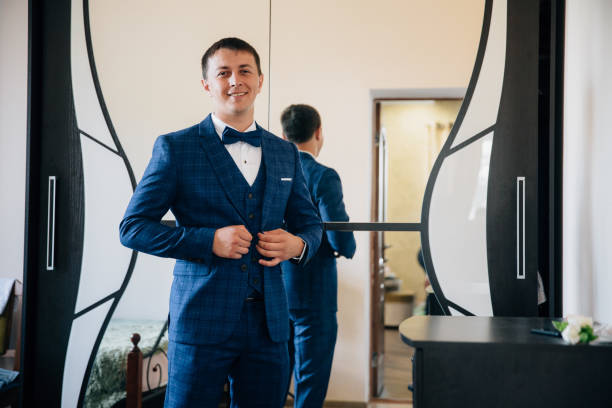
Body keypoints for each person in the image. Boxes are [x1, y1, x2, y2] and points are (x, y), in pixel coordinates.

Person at [119, 38, 322, 408]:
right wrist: (207, 240)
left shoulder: (285, 152)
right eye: (223, 72)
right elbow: (132, 227)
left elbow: (311, 226)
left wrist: (298, 246)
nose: (235, 80)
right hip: (201, 320)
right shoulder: (175, 148)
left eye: (244, 71)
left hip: (270, 325)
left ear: (260, 80)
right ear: (206, 85)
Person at [280, 104, 356, 407]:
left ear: (283, 135)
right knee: (310, 376)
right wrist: (346, 249)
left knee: (274, 373)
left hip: (273, 287)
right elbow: (339, 234)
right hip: (315, 290)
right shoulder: (323, 176)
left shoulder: (271, 173)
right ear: (319, 133)